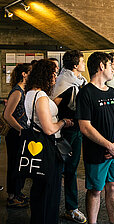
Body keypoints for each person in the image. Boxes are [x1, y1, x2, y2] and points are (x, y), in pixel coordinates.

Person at [76, 52, 114, 224]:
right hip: (97, 152)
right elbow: (85, 126)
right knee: (95, 190)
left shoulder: (112, 91)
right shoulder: (86, 93)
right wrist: (108, 146)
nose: (113, 68)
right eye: (110, 65)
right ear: (101, 66)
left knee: (113, 187)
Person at [24, 59, 73, 224]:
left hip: (38, 146)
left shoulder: (30, 93)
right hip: (48, 147)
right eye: (53, 74)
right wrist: (63, 122)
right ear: (45, 75)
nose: (55, 78)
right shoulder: (41, 96)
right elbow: (49, 128)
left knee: (39, 189)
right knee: (49, 190)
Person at [51, 51, 87, 223]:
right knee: (58, 170)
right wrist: (62, 121)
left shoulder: (81, 81)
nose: (84, 63)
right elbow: (52, 105)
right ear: (74, 64)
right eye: (82, 61)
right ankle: (50, 207)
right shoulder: (63, 81)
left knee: (71, 171)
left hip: (77, 130)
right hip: (65, 131)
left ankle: (71, 208)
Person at [4, 63, 31, 208]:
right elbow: (7, 115)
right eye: (30, 72)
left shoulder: (24, 90)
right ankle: (12, 196)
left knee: (20, 164)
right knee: (14, 164)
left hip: (21, 132)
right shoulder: (17, 92)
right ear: (24, 74)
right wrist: (20, 129)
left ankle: (18, 192)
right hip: (15, 133)